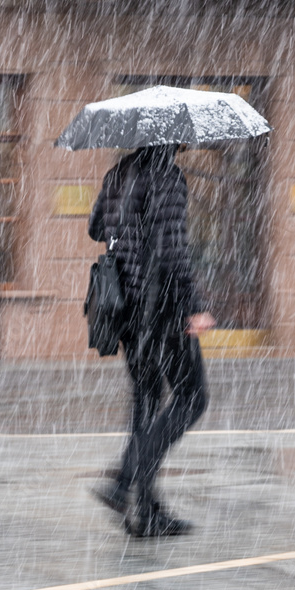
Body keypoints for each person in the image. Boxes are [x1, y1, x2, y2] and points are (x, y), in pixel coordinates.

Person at [88, 144, 215, 537]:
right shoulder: (168, 177)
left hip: (124, 307)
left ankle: (144, 512)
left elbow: (95, 228)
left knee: (146, 400)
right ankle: (125, 480)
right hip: (161, 307)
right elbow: (172, 250)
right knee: (193, 397)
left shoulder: (118, 174)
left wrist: (123, 213)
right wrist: (192, 307)